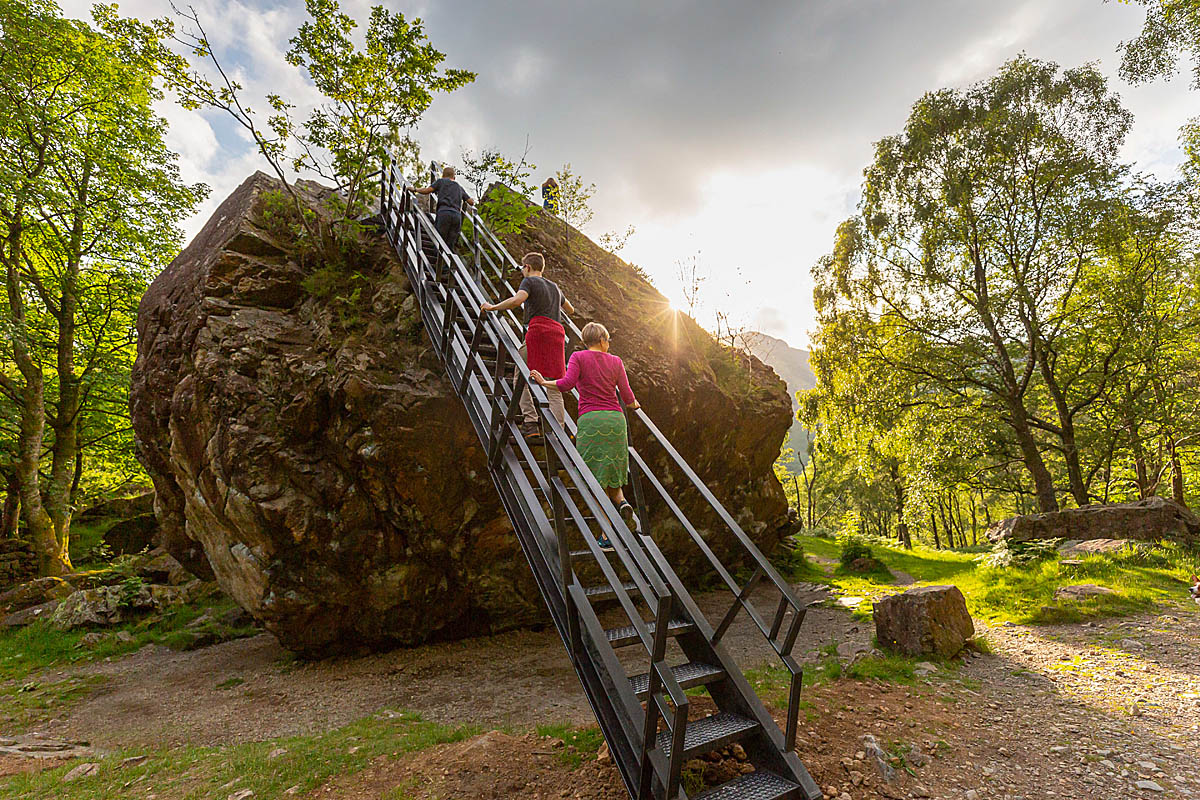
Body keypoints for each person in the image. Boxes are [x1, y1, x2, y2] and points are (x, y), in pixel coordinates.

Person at [532, 322, 641, 547]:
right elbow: (628, 396)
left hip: (592, 422)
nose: (609, 344)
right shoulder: (616, 361)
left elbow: (566, 384)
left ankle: (607, 535)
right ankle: (622, 504)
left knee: (594, 480)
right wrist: (634, 404)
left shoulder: (578, 357)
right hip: (615, 421)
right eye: (608, 340)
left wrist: (544, 382)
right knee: (610, 472)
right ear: (601, 340)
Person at [481, 252, 574, 437]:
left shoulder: (529, 282)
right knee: (554, 382)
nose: (522, 271)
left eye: (522, 267)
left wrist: (493, 307)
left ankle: (530, 422)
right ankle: (559, 432)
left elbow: (517, 300)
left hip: (538, 331)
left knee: (520, 375)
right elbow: (570, 309)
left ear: (528, 267)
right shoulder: (555, 287)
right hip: (557, 335)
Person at [413, 166, 474, 254]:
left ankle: (437, 258)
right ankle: (448, 261)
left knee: (439, 239)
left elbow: (427, 190)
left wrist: (415, 189)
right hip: (457, 216)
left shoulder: (441, 181)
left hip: (444, 213)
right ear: (454, 177)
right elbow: (471, 202)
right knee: (450, 243)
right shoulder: (459, 187)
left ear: (443, 175)